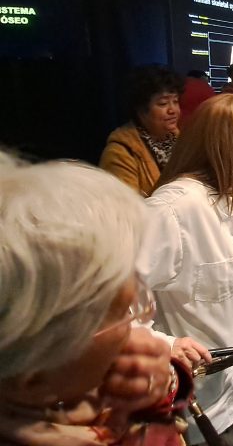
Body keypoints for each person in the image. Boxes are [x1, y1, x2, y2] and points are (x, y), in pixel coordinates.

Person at [0, 155, 193, 445]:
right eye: (123, 315)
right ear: (33, 379)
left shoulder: (69, 385)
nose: (138, 333)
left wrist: (162, 383)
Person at [138, 94, 233, 444]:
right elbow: (111, 311)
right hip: (188, 400)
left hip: (227, 387)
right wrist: (165, 345)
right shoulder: (170, 211)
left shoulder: (229, 194)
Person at [100, 65, 184, 197]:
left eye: (176, 101)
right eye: (163, 103)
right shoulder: (120, 153)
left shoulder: (179, 140)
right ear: (140, 109)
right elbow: (125, 207)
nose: (173, 110)